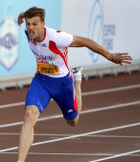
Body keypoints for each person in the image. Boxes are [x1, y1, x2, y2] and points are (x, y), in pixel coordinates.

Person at [16, 7, 132, 162]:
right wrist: (21, 16)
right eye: (28, 24)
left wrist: (110, 56)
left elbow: (86, 41)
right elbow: (26, 16)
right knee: (30, 115)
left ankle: (77, 82)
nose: (31, 28)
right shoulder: (29, 33)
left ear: (43, 24)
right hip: (41, 81)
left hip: (62, 84)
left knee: (73, 121)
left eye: (35, 24)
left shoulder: (57, 38)